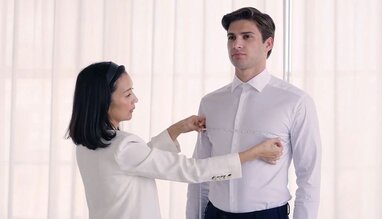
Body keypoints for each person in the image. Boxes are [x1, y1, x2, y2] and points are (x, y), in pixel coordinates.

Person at [66, 61, 283, 219]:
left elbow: (138, 162)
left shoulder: (87, 145)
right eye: (128, 94)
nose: (135, 99)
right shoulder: (123, 146)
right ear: (104, 99)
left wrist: (178, 129)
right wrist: (255, 153)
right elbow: (192, 170)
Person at [186, 7, 321, 219]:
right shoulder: (210, 102)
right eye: (231, 37)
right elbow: (201, 172)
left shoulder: (296, 102)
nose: (236, 44)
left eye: (246, 36)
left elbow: (309, 176)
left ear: (268, 44)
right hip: (214, 214)